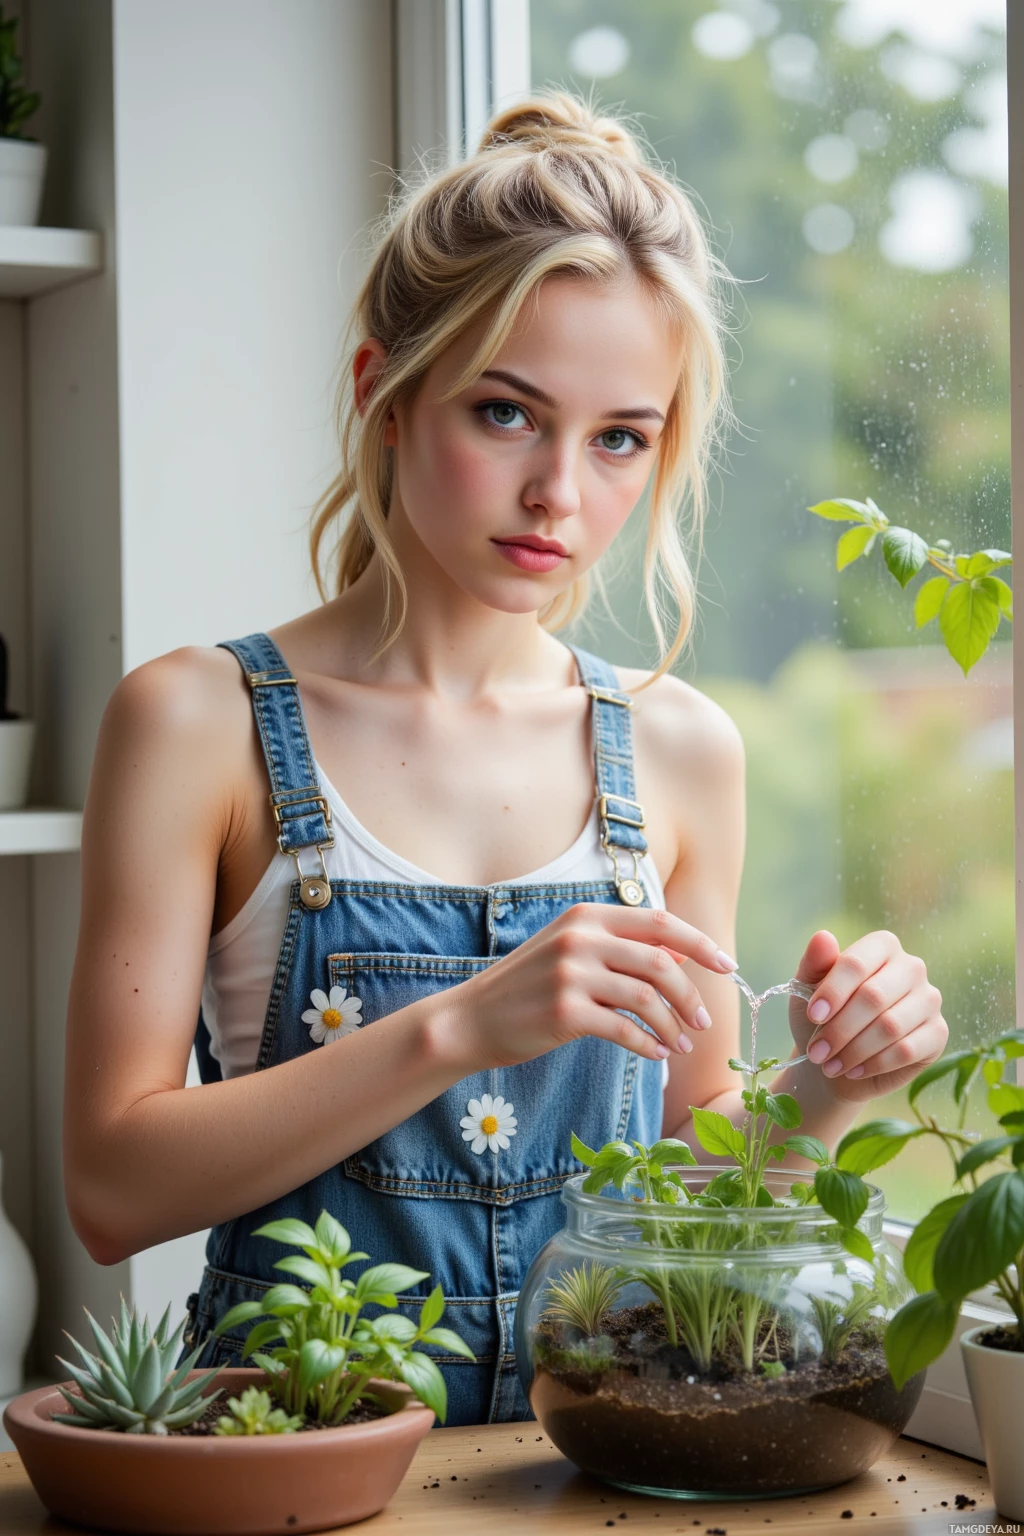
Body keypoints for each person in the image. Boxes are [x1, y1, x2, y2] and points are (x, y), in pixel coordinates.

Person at [62, 91, 948, 1427]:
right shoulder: (198, 721)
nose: (560, 497)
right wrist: (466, 1023)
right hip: (293, 1472)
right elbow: (111, 1188)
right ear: (387, 396)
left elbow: (675, 1199)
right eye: (505, 414)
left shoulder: (684, 753)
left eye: (618, 441)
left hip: (587, 1471)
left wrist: (836, 1083)